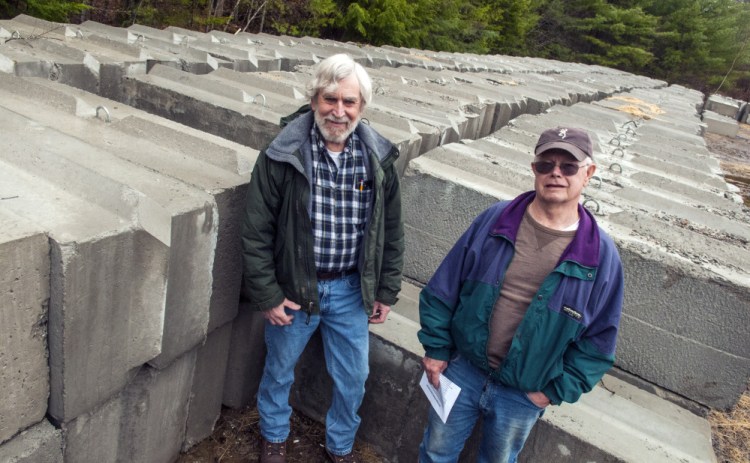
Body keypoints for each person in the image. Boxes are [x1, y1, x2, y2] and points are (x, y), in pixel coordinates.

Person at [417, 127, 624, 463]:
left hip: (523, 395)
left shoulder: (600, 255)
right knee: (436, 452)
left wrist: (550, 392)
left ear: (588, 174)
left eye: (568, 166)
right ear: (534, 169)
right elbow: (444, 287)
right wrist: (437, 348)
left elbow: (599, 342)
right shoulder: (495, 220)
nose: (555, 172)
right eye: (546, 164)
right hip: (463, 371)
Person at [241, 53, 404, 463]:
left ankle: (340, 445)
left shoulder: (377, 160)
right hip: (296, 287)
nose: (339, 110)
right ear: (314, 100)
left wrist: (385, 289)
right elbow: (256, 230)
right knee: (279, 370)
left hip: (350, 290)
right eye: (330, 99)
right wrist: (268, 295)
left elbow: (392, 231)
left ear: (361, 109)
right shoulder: (283, 155)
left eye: (349, 102)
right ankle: (274, 436)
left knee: (354, 378)